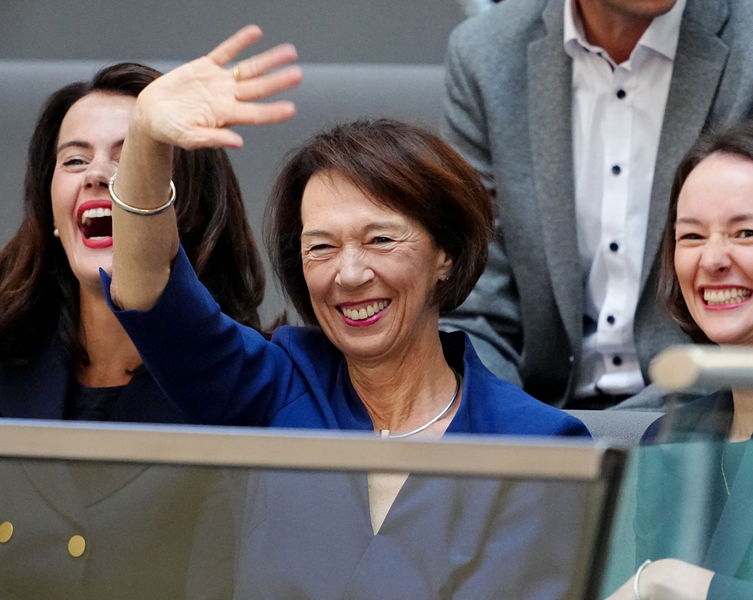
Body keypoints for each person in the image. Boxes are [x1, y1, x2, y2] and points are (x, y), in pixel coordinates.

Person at [99, 27, 589, 597]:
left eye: (381, 240)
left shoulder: (537, 444)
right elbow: (149, 291)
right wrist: (147, 139)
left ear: (445, 256)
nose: (349, 275)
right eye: (321, 247)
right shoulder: (278, 386)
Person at [0, 59, 298, 598]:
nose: (98, 174)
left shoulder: (246, 388)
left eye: (131, 155)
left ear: (176, 205)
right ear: (47, 208)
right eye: (74, 159)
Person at [439, 0, 753, 408]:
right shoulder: (485, 56)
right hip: (533, 418)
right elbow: (475, 307)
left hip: (706, 417)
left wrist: (592, 442)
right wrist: (515, 426)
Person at [608, 120, 753, 600]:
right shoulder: (670, 439)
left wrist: (675, 582)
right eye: (691, 237)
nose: (711, 260)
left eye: (747, 232)